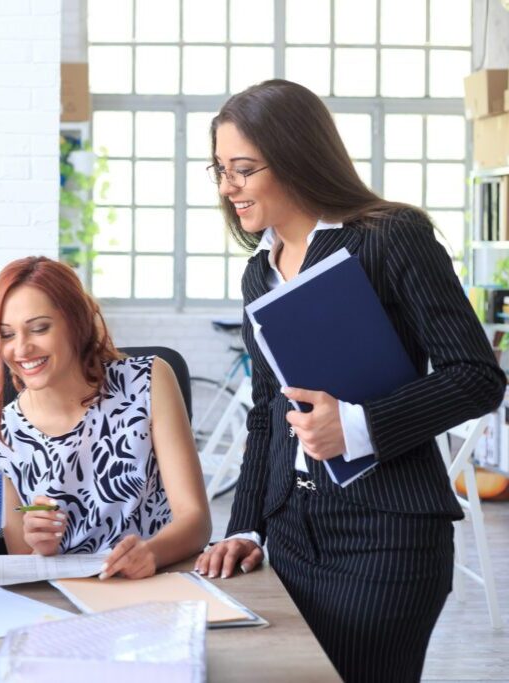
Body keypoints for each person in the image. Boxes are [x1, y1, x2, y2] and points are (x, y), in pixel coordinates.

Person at [194, 80, 506, 683]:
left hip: (384, 537)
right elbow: (267, 413)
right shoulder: (259, 273)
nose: (227, 187)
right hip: (290, 535)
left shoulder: (390, 236)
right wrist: (247, 526)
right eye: (220, 170)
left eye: (243, 169)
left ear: (295, 157)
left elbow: (476, 377)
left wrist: (358, 426)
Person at [0, 256, 211, 579]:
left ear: (76, 323)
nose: (21, 349)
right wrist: (40, 546)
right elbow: (23, 564)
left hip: (156, 583)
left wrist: (152, 553)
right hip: (67, 596)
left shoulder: (148, 381)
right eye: (6, 335)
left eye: (39, 328)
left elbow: (196, 520)